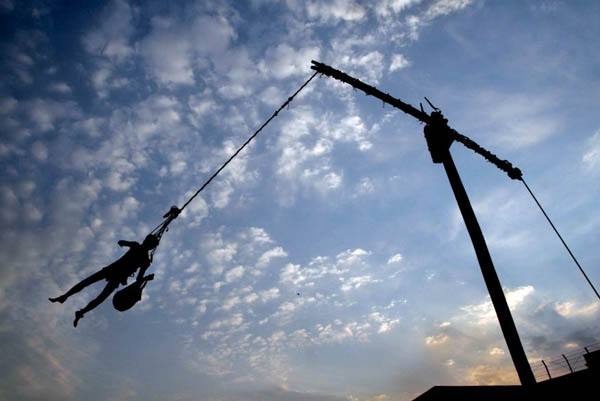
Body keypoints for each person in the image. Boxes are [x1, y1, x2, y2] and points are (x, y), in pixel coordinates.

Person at [49, 234, 159, 327]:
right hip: (115, 273)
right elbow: (139, 278)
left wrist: (124, 243)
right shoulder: (142, 256)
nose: (145, 242)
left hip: (114, 272)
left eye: (147, 241)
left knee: (90, 287)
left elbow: (121, 242)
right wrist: (145, 277)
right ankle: (70, 302)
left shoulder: (139, 251)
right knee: (94, 292)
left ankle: (74, 306)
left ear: (148, 243)